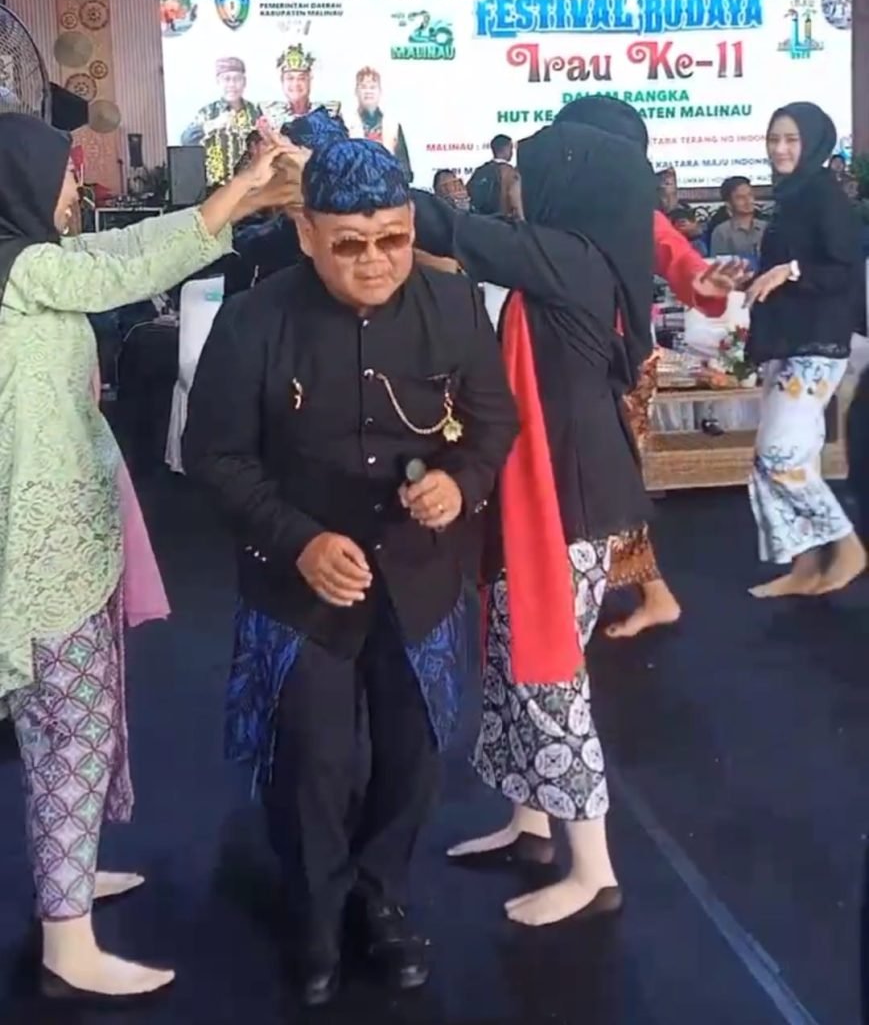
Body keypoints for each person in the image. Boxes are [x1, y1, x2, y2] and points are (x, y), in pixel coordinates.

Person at [182, 132, 518, 1005]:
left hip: (420, 577)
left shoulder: (454, 307)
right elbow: (213, 455)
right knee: (311, 761)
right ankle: (315, 913)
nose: (375, 262)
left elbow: (493, 425)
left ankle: (383, 898)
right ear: (305, 234)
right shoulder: (253, 321)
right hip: (299, 582)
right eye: (349, 244)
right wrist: (297, 539)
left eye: (393, 239)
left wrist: (459, 484)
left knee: (413, 753)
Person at [0, 113, 293, 1002]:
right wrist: (238, 193)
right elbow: (124, 267)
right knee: (72, 725)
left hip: (64, 538)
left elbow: (118, 248)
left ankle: (68, 879)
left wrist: (242, 193)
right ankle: (67, 941)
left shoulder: (30, 263)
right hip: (37, 555)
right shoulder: (18, 271)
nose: (72, 189)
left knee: (69, 721)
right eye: (61, 173)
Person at [410, 120, 656, 925]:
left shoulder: (573, 257)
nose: (518, 186)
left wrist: (364, 187)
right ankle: (532, 823)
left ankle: (593, 871)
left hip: (567, 498)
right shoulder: (586, 258)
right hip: (554, 486)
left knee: (546, 672)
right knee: (511, 657)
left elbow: (457, 232)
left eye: (531, 173)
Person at [554, 95, 747, 637]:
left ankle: (574, 613)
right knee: (599, 487)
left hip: (618, 369)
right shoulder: (555, 209)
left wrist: (705, 283)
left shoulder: (637, 215)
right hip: (568, 363)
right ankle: (644, 595)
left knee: (600, 488)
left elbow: (683, 264)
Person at [745, 102, 866, 596]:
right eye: (774, 138)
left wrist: (791, 271)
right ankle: (806, 565)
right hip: (788, 340)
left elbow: (845, 270)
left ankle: (847, 545)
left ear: (813, 142)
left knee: (779, 453)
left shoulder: (824, 196)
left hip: (816, 344)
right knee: (790, 455)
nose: (780, 148)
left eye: (791, 139)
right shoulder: (792, 196)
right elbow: (780, 274)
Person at [181, 56, 262, 185]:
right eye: (226, 79)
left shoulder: (255, 112)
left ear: (244, 82)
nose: (232, 84)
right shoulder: (208, 113)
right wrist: (213, 124)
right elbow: (186, 140)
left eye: (237, 79)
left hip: (249, 186)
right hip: (215, 188)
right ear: (218, 81)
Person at [347, 66, 412, 177]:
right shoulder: (346, 124)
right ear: (356, 92)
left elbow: (405, 169)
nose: (368, 92)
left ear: (380, 91)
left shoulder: (392, 126)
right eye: (363, 87)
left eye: (372, 87)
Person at [261, 44, 319, 131]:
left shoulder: (328, 114)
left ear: (310, 80)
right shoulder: (268, 115)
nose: (295, 84)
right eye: (290, 78)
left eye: (301, 78)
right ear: (282, 81)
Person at [710, 176, 766, 262]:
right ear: (728, 203)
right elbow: (720, 264)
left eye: (750, 195)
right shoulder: (722, 232)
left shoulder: (766, 227)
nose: (748, 201)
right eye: (740, 197)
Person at [467, 134, 522, 217]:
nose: (512, 152)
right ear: (506, 149)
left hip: (481, 219)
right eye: (511, 148)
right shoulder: (510, 172)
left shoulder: (480, 170)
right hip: (501, 220)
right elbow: (514, 199)